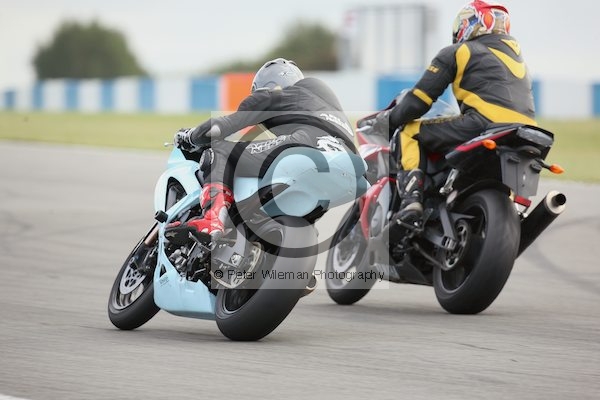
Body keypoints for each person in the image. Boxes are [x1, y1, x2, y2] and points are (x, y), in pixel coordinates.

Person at [372, 0, 536, 227]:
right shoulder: (519, 62)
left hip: (485, 125)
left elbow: (418, 102)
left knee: (408, 131)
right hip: (526, 133)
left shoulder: (460, 51)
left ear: (472, 24)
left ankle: (411, 202)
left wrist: (387, 122)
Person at [164, 58, 357, 243]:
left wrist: (190, 136)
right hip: (350, 163)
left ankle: (213, 218)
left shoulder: (272, 96)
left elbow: (219, 128)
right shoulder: (323, 100)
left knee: (221, 149)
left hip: (307, 146)